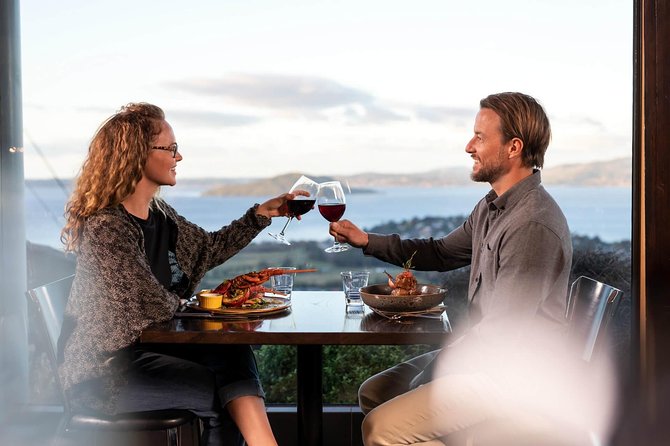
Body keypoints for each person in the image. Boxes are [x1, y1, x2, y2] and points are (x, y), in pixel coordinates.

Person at [330, 92, 579, 445]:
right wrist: (367, 240)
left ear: (513, 147)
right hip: (487, 356)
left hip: (514, 373)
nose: (468, 147)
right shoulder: (492, 207)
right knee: (375, 392)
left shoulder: (531, 224)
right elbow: (441, 252)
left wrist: (437, 372)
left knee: (380, 429)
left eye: (480, 137)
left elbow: (502, 334)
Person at [59, 102, 301, 446]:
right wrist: (200, 305)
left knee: (234, 354)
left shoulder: (161, 215)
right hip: (104, 372)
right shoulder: (107, 227)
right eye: (171, 148)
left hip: (150, 351)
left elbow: (208, 248)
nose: (179, 156)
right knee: (223, 393)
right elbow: (149, 301)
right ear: (137, 154)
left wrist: (260, 215)